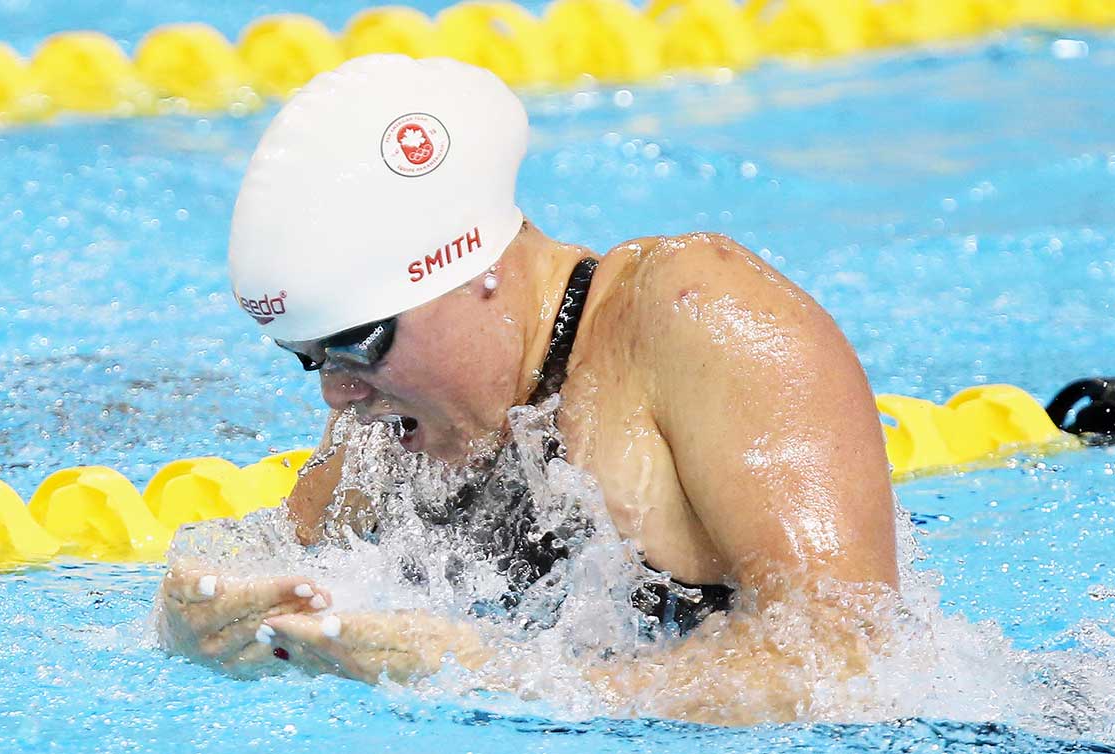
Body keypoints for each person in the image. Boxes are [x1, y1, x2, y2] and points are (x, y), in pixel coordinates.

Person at [157, 54, 899, 724]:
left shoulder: (691, 315)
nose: (338, 395)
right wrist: (194, 622)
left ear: (470, 268)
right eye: (309, 357)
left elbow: (849, 657)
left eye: (358, 342)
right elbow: (276, 558)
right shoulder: (392, 425)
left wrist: (497, 682)